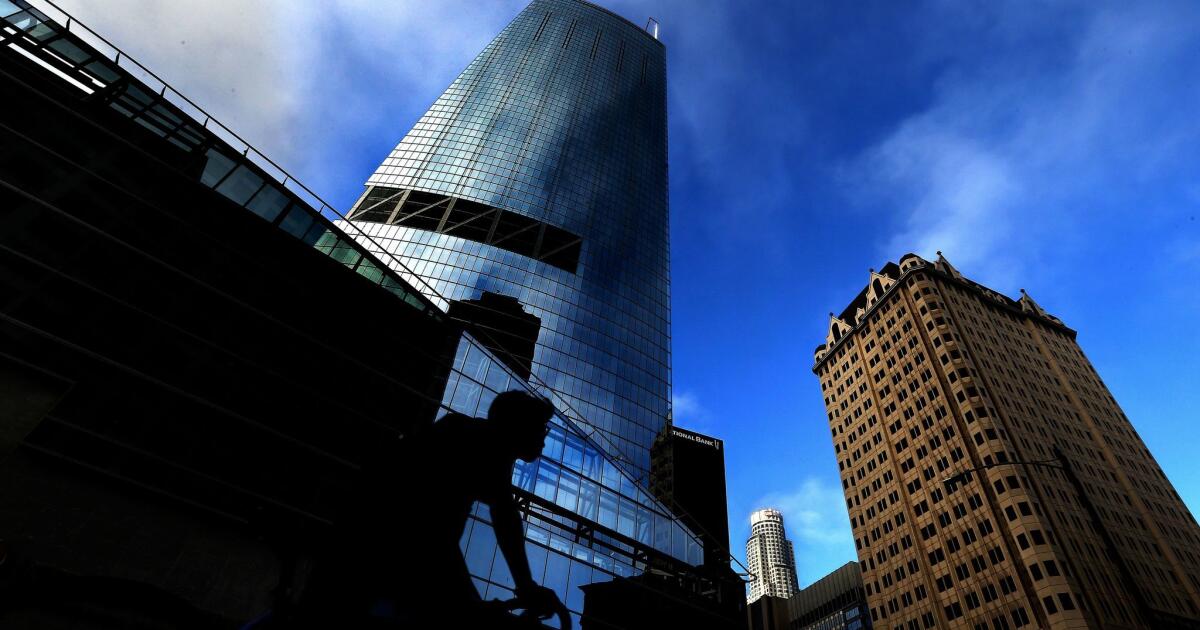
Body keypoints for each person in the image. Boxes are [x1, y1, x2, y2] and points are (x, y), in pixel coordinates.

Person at [290, 390, 565, 628]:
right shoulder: (468, 440)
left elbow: (504, 517)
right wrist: (472, 599)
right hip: (367, 556)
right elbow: (431, 531)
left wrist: (524, 585)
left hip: (382, 555)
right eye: (541, 428)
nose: (543, 437)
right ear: (517, 426)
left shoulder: (490, 450)